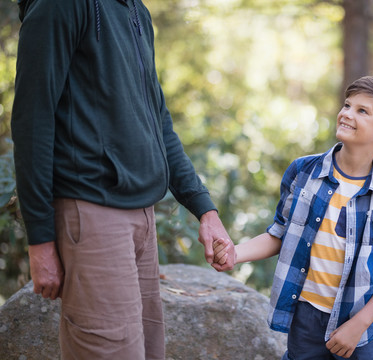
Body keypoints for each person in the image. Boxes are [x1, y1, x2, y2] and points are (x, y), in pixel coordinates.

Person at [11, 0, 234, 359]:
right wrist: (40, 240)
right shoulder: (59, 6)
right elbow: (31, 123)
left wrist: (204, 209)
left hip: (142, 219)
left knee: (148, 350)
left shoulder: (135, 10)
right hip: (91, 214)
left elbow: (159, 123)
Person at [215, 76, 373, 359]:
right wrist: (235, 253)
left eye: (362, 111)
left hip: (358, 320)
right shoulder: (303, 171)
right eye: (347, 105)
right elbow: (278, 234)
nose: (346, 113)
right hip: (305, 315)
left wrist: (360, 323)